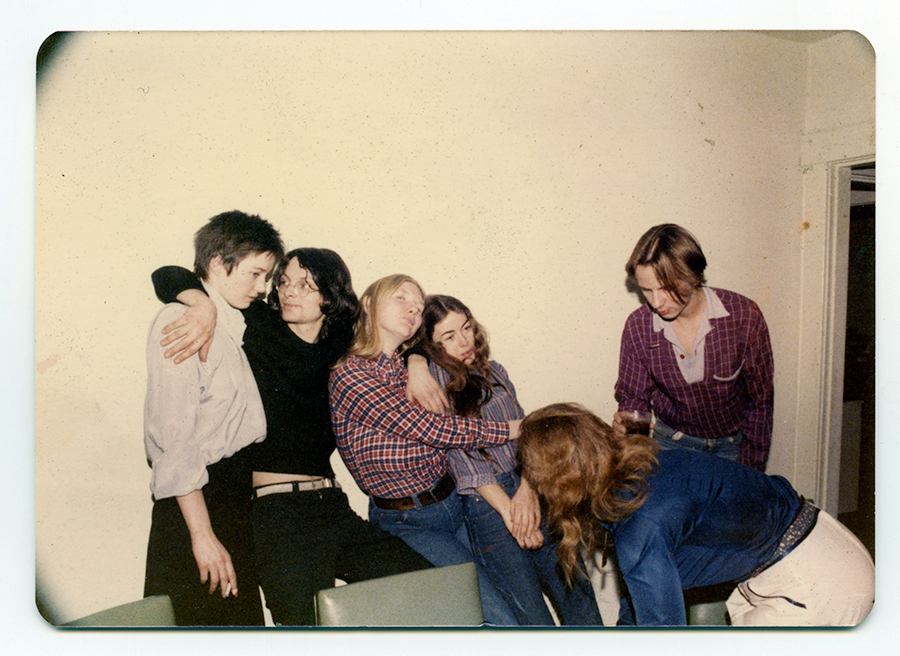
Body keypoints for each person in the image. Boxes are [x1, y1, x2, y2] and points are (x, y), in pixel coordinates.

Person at [151, 249, 434, 626]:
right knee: (302, 625)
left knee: (424, 582)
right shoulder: (258, 326)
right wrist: (202, 305)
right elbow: (166, 274)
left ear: (329, 296)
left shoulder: (341, 341)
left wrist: (417, 362)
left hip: (332, 504)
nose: (288, 291)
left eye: (304, 285)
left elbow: (403, 327)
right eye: (283, 281)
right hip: (277, 514)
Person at [517, 403, 875, 626]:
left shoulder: (639, 524)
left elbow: (664, 635)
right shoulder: (649, 462)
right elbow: (642, 602)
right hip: (827, 549)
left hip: (816, 585)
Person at [328, 275, 522, 625]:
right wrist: (511, 429)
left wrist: (416, 361)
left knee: (509, 599)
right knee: (491, 615)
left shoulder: (406, 364)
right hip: (409, 521)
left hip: (454, 502)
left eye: (417, 307)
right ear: (369, 303)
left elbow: (433, 353)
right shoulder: (350, 373)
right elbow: (431, 428)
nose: (413, 309)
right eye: (401, 298)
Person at [419, 295, 602, 625]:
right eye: (449, 336)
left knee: (580, 600)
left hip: (532, 487)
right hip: (488, 508)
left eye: (466, 327)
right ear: (431, 347)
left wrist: (528, 490)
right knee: (532, 622)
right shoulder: (432, 387)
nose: (464, 341)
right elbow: (463, 463)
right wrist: (512, 515)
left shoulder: (495, 371)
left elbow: (529, 438)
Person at [143, 210, 283, 625]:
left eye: (267, 277)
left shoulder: (229, 323)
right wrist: (202, 537)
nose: (263, 288)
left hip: (230, 500)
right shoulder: (183, 322)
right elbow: (175, 440)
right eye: (256, 274)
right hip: (197, 505)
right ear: (219, 264)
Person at [614, 224, 774, 471]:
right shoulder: (638, 326)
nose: (656, 302)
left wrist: (750, 470)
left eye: (666, 288)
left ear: (694, 275)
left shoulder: (744, 316)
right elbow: (634, 399)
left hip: (734, 447)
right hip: (671, 446)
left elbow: (760, 401)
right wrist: (627, 428)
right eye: (647, 290)